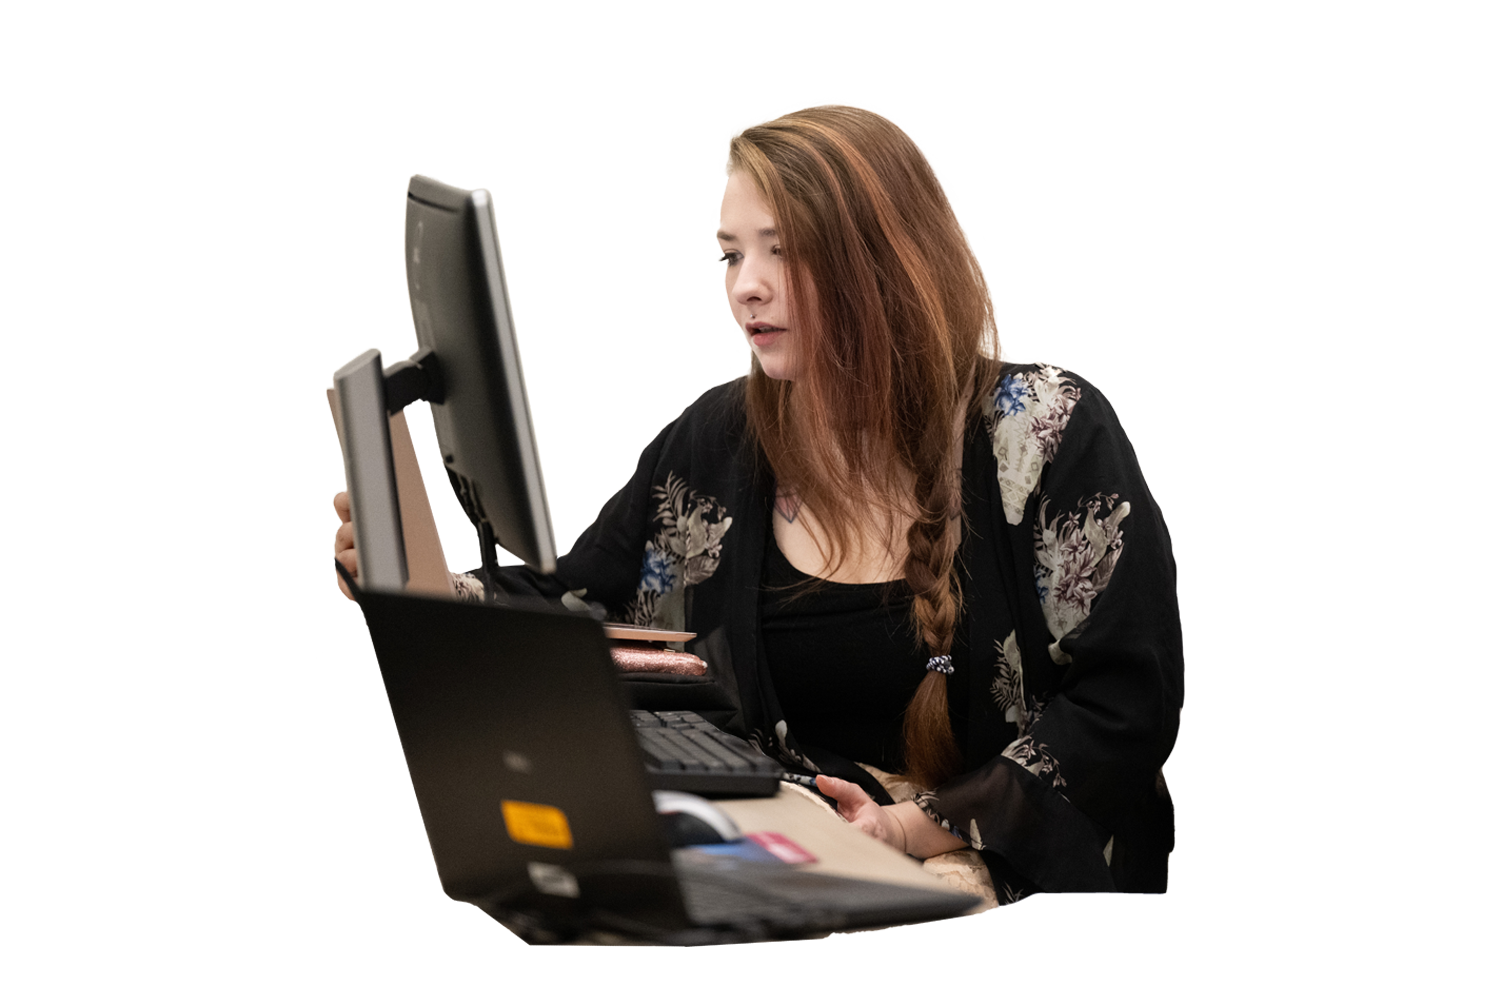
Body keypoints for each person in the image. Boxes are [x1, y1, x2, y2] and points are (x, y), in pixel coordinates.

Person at [333, 104, 1183, 900]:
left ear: (888, 263)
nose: (746, 285)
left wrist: (911, 826)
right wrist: (427, 579)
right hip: (786, 855)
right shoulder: (721, 438)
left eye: (782, 250)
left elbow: (1125, 706)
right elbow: (582, 621)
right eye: (731, 254)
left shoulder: (1046, 433)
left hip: (1005, 888)